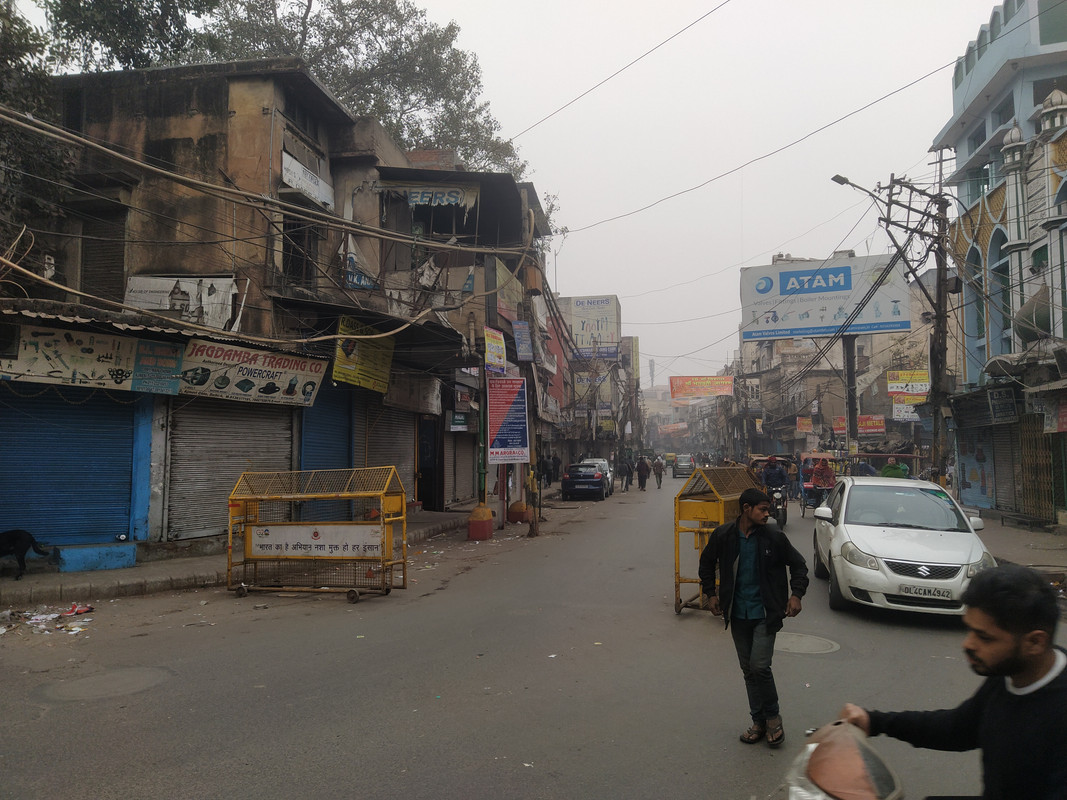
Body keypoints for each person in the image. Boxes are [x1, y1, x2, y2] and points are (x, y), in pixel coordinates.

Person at [840, 564, 1067, 799]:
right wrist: (876, 721)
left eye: (984, 637)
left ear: (1035, 643)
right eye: (969, 630)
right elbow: (958, 728)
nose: (967, 644)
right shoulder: (1011, 674)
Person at [698, 488, 809, 749]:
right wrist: (711, 595)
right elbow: (706, 563)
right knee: (748, 670)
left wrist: (797, 595)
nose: (767, 513)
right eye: (762, 509)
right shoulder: (724, 535)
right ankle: (758, 722)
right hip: (737, 613)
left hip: (765, 613)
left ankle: (773, 718)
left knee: (760, 666)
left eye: (768, 509)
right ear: (746, 509)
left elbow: (799, 565)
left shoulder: (774, 538)